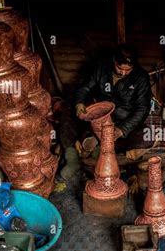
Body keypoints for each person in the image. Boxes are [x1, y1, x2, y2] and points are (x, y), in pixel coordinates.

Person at [59, 44, 152, 180]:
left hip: (122, 121)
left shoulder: (141, 77)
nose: (123, 73)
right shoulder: (101, 68)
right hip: (98, 117)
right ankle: (72, 159)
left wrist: (121, 129)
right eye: (120, 68)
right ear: (114, 61)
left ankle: (96, 146)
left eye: (128, 70)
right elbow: (84, 88)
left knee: (147, 135)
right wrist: (79, 103)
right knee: (67, 111)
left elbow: (143, 108)